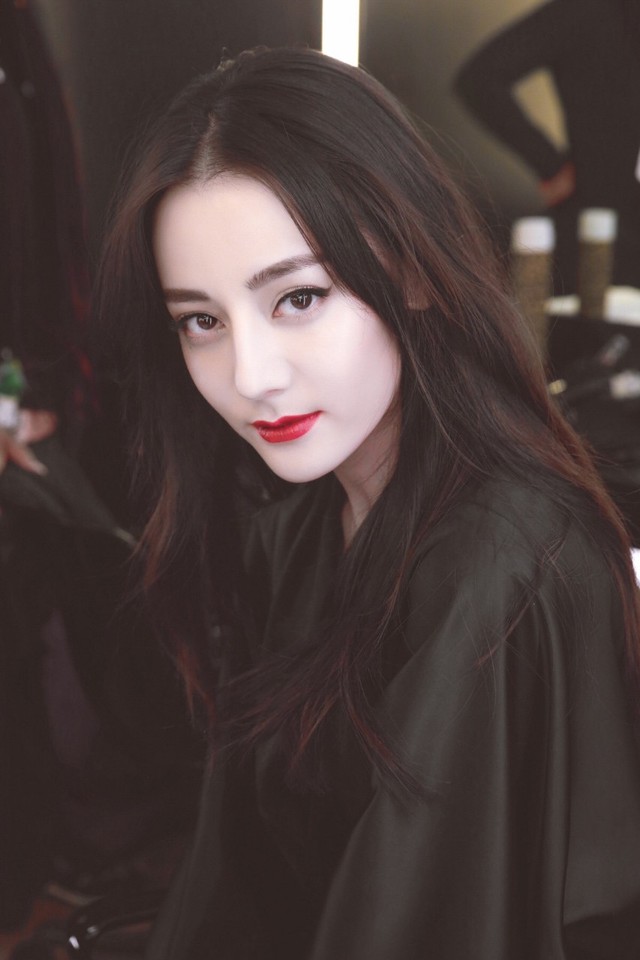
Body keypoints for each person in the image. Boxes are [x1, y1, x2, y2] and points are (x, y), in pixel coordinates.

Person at [95, 47, 640, 959]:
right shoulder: (302, 526)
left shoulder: (498, 571)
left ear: (414, 271)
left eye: (299, 297)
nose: (250, 376)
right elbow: (235, 878)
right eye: (202, 321)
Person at [454, 0, 640, 293]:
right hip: (600, 223)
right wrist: (550, 165)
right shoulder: (587, 11)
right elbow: (479, 79)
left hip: (603, 218)